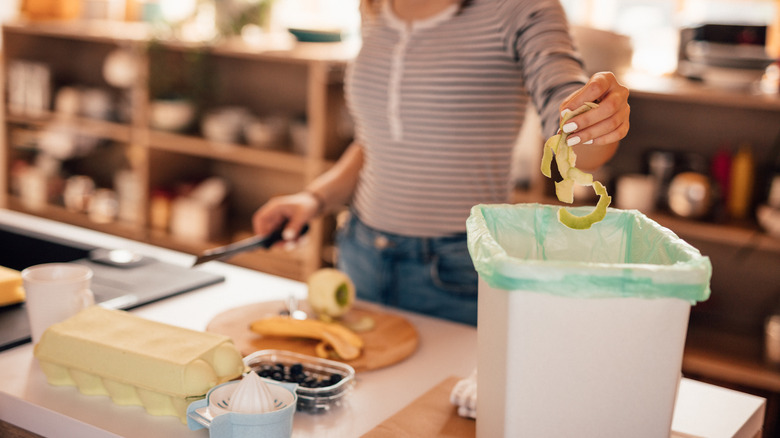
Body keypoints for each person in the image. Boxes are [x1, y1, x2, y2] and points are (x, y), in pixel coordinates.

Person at [253, 0, 630, 326]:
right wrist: (314, 198)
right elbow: (378, 141)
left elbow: (566, 112)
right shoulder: (376, 7)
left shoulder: (521, 8)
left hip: (456, 270)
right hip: (360, 253)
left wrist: (594, 121)